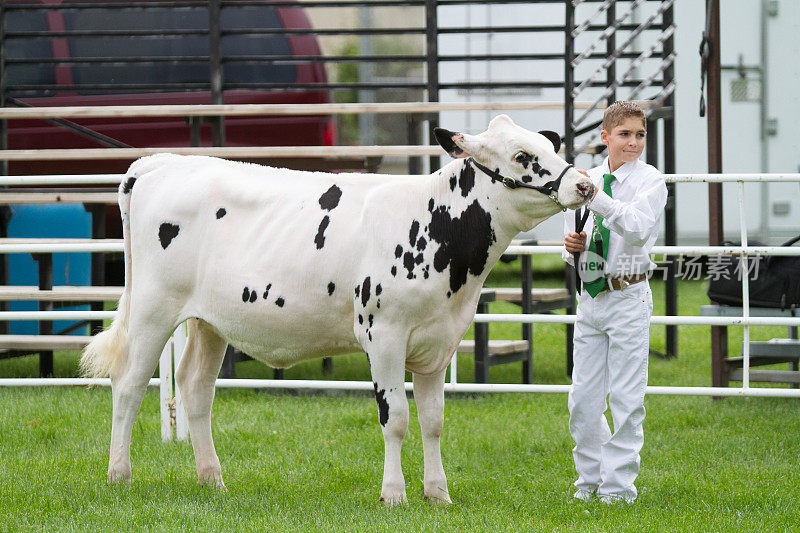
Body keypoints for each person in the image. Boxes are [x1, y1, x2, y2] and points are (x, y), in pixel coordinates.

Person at [562, 101, 668, 504]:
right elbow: (571, 245)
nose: (633, 142)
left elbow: (638, 229)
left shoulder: (650, 181)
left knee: (626, 397)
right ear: (605, 137)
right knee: (583, 401)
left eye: (639, 134)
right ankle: (589, 481)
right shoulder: (584, 180)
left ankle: (619, 489)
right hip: (590, 296)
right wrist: (573, 246)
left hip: (628, 293)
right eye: (624, 134)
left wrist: (595, 199)